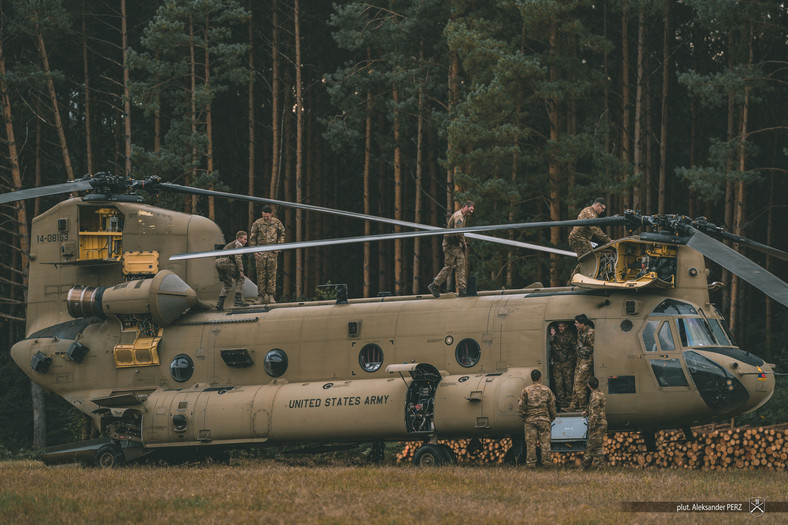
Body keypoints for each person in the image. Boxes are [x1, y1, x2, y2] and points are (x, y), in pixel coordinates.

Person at [427, 201, 475, 298]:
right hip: (450, 245)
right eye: (470, 209)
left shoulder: (463, 216)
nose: (471, 212)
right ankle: (435, 285)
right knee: (449, 267)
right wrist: (464, 243)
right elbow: (458, 232)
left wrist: (463, 243)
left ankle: (462, 290)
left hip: (456, 245)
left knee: (461, 266)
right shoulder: (459, 216)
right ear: (466, 206)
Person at [518, 369, 557, 468]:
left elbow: (521, 406)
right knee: (545, 444)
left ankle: (531, 464)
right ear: (540, 378)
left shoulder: (525, 390)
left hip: (530, 420)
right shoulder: (547, 390)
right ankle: (546, 463)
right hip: (544, 420)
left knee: (531, 444)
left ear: (532, 378)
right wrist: (551, 417)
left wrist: (524, 417)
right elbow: (552, 405)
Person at [249, 205, 285, 304]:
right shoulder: (257, 223)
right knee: (260, 275)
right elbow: (252, 238)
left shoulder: (277, 223)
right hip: (260, 252)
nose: (265, 218)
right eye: (264, 216)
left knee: (272, 274)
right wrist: (254, 251)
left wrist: (279, 246)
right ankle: (260, 296)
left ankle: (271, 296)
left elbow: (282, 234)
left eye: (267, 216)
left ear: (271, 214)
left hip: (272, 253)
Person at [568, 314, 595, 411]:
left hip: (586, 361)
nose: (575, 325)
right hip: (580, 360)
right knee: (575, 383)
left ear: (583, 324)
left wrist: (589, 363)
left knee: (579, 383)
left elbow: (594, 349)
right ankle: (573, 406)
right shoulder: (580, 331)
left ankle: (583, 407)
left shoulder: (591, 333)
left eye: (577, 323)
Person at [215, 230, 247, 309]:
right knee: (240, 278)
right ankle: (238, 300)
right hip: (226, 261)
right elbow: (237, 257)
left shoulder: (231, 244)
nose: (246, 241)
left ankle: (220, 303)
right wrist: (241, 270)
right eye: (244, 239)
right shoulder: (238, 244)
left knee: (228, 283)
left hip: (218, 263)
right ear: (239, 239)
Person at [581, 376, 607, 470]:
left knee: (596, 446)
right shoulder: (599, 393)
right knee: (591, 445)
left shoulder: (595, 396)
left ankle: (599, 467)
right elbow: (592, 406)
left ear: (589, 385)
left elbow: (595, 412)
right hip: (601, 423)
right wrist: (586, 411)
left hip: (597, 424)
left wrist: (591, 426)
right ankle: (584, 466)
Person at [550, 321, 577, 410]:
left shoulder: (570, 335)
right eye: (559, 326)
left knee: (569, 384)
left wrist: (572, 360)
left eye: (562, 326)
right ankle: (562, 404)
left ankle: (570, 404)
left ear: (566, 326)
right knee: (558, 385)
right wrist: (552, 330)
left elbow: (575, 348)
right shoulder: (554, 333)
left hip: (567, 363)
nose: (560, 328)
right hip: (557, 364)